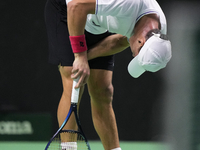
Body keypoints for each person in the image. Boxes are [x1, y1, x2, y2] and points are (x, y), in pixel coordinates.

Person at [44, 0, 172, 149]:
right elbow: (76, 6)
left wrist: (86, 57)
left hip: (97, 21)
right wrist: (79, 56)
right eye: (136, 55)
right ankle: (68, 148)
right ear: (140, 41)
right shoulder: (128, 4)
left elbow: (117, 42)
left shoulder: (159, 31)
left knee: (103, 90)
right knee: (74, 82)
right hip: (68, 11)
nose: (133, 56)